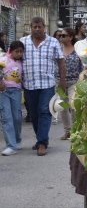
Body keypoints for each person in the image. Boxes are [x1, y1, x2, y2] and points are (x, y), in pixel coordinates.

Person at [21, 17, 66, 156]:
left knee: (44, 111)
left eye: (39, 26)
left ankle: (42, 143)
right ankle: (41, 139)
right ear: (31, 27)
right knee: (34, 115)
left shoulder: (53, 42)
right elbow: (14, 60)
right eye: (34, 26)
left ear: (44, 27)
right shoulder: (23, 42)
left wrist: (62, 82)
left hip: (47, 84)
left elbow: (60, 63)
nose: (37, 29)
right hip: (28, 84)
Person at [57, 28, 83, 140]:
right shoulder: (57, 48)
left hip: (74, 81)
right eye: (60, 36)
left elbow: (82, 65)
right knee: (62, 107)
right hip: (59, 82)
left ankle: (75, 130)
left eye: (64, 35)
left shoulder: (77, 49)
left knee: (73, 106)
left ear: (71, 37)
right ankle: (67, 131)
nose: (61, 37)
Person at [0, 41, 25, 155]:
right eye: (17, 51)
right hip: (3, 92)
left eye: (21, 51)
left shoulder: (22, 62)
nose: (19, 54)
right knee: (6, 117)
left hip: (16, 91)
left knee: (17, 117)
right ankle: (11, 145)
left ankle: (17, 139)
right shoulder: (3, 60)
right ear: (11, 50)